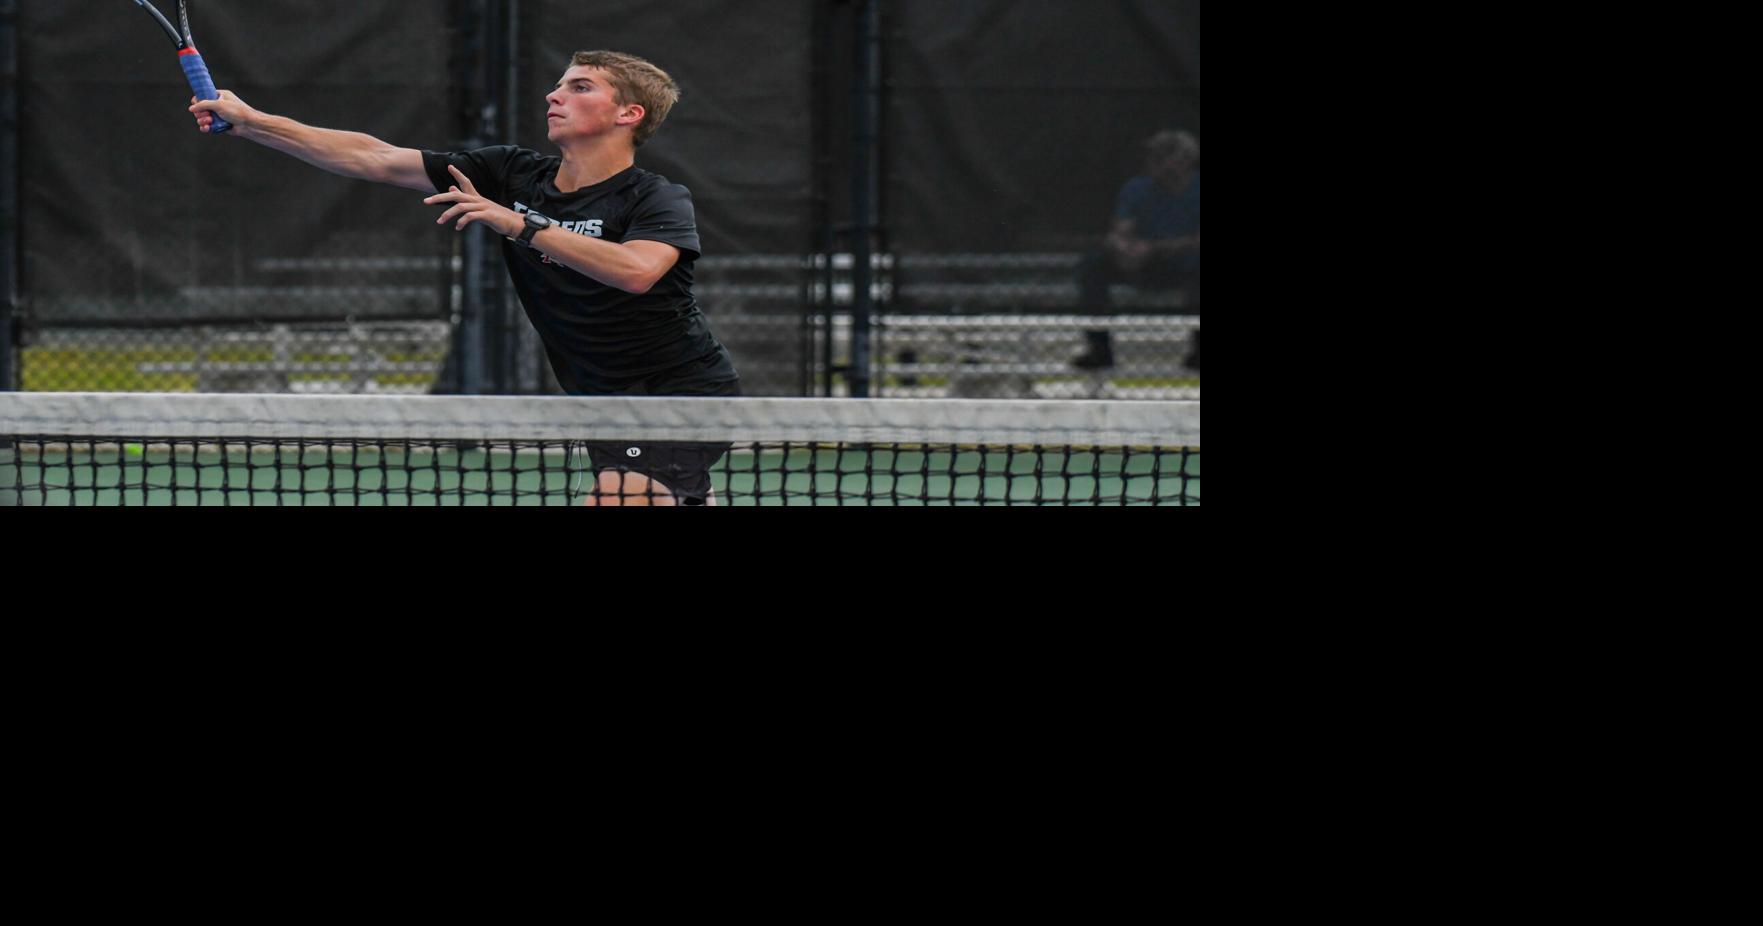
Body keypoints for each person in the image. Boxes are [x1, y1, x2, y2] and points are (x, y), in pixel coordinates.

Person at [189, 50, 740, 506]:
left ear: (629, 115)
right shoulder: (512, 173)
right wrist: (254, 122)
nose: (554, 96)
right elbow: (374, 157)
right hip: (602, 398)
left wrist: (521, 224)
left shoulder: (655, 197)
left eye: (580, 87)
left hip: (679, 392)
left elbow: (639, 272)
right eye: (557, 85)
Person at [1072, 129, 1201, 371]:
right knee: (1093, 264)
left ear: (1186, 160)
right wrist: (1123, 247)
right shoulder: (1137, 188)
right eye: (1153, 155)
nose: (1153, 160)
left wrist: (1155, 247)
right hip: (1148, 264)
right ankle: (1100, 351)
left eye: (1164, 155)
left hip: (1190, 265)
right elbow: (1122, 229)